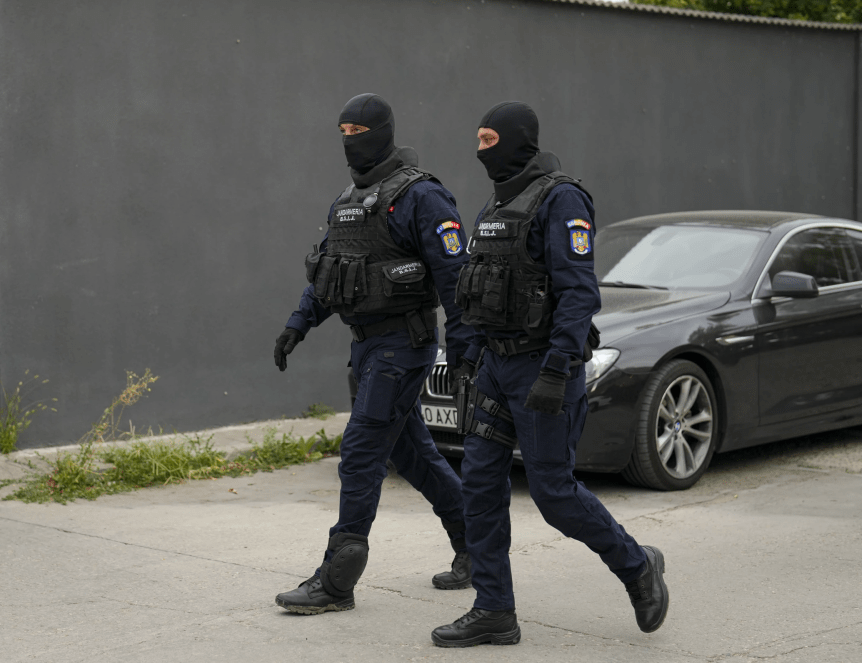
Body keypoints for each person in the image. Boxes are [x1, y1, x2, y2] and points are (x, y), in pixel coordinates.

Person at [430, 101, 669, 648]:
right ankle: (494, 609)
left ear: (517, 140)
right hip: (495, 367)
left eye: (488, 138)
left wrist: (559, 370)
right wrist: (466, 357)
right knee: (481, 487)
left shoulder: (561, 198)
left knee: (554, 494)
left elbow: (579, 293)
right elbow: (474, 287)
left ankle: (637, 567)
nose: (479, 149)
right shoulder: (497, 203)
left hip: (543, 368)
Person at [272, 93, 478, 615]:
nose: (349, 141)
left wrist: (462, 350)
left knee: (361, 453)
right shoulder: (348, 200)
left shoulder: (422, 196)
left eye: (357, 131)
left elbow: (457, 281)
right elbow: (328, 272)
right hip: (365, 349)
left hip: (402, 345)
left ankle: (337, 581)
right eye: (342, 130)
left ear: (382, 133)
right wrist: (298, 324)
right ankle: (477, 547)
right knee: (412, 454)